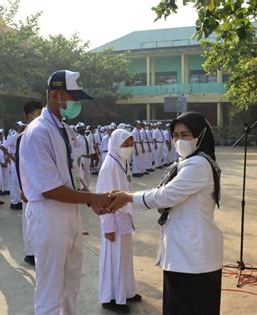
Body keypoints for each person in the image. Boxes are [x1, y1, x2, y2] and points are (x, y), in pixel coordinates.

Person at [109, 111, 223, 315]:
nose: (179, 140)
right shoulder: (188, 162)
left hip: (193, 255)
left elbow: (166, 196)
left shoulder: (198, 164)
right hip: (185, 251)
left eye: (185, 135)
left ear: (201, 135)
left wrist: (128, 197)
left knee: (189, 307)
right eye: (175, 135)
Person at [19, 69, 114, 314]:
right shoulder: (38, 132)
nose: (75, 103)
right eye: (72, 97)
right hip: (48, 213)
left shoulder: (64, 130)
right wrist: (92, 197)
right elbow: (50, 189)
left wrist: (88, 198)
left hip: (69, 211)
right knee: (51, 288)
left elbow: (71, 173)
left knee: (70, 282)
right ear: (55, 95)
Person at [97, 129, 141, 313]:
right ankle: (110, 297)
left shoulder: (121, 162)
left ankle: (127, 291)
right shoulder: (110, 166)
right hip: (113, 221)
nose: (129, 148)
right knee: (113, 260)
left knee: (124, 259)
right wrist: (107, 226)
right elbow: (104, 199)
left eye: (131, 144)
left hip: (123, 219)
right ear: (115, 144)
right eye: (125, 145)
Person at [15, 100, 43, 266]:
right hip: (29, 185)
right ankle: (29, 253)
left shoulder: (42, 134)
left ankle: (38, 249)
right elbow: (19, 164)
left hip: (41, 183)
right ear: (29, 116)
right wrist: (22, 188)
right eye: (37, 114)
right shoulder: (23, 137)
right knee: (28, 220)